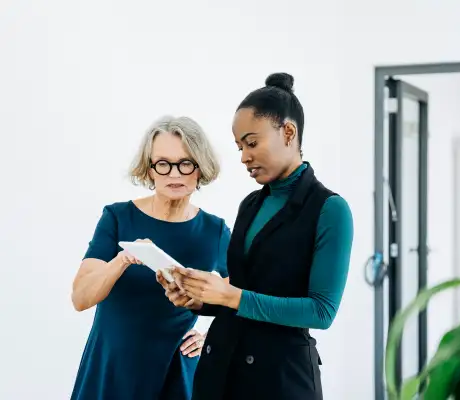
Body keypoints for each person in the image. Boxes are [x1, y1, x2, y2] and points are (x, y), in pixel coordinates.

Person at [158, 73, 354, 400]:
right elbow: (248, 286)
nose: (244, 157)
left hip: (279, 381)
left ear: (288, 132)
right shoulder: (251, 203)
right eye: (239, 147)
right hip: (220, 370)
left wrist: (230, 296)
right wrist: (202, 299)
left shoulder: (329, 209)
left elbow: (321, 311)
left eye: (251, 143)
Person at [70, 116, 231, 400]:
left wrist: (216, 338)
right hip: (111, 368)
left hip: (174, 372)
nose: (174, 174)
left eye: (186, 163)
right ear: (150, 169)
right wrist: (123, 259)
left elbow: (243, 298)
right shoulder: (117, 217)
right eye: (163, 164)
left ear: (200, 168)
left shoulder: (214, 231)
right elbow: (81, 298)